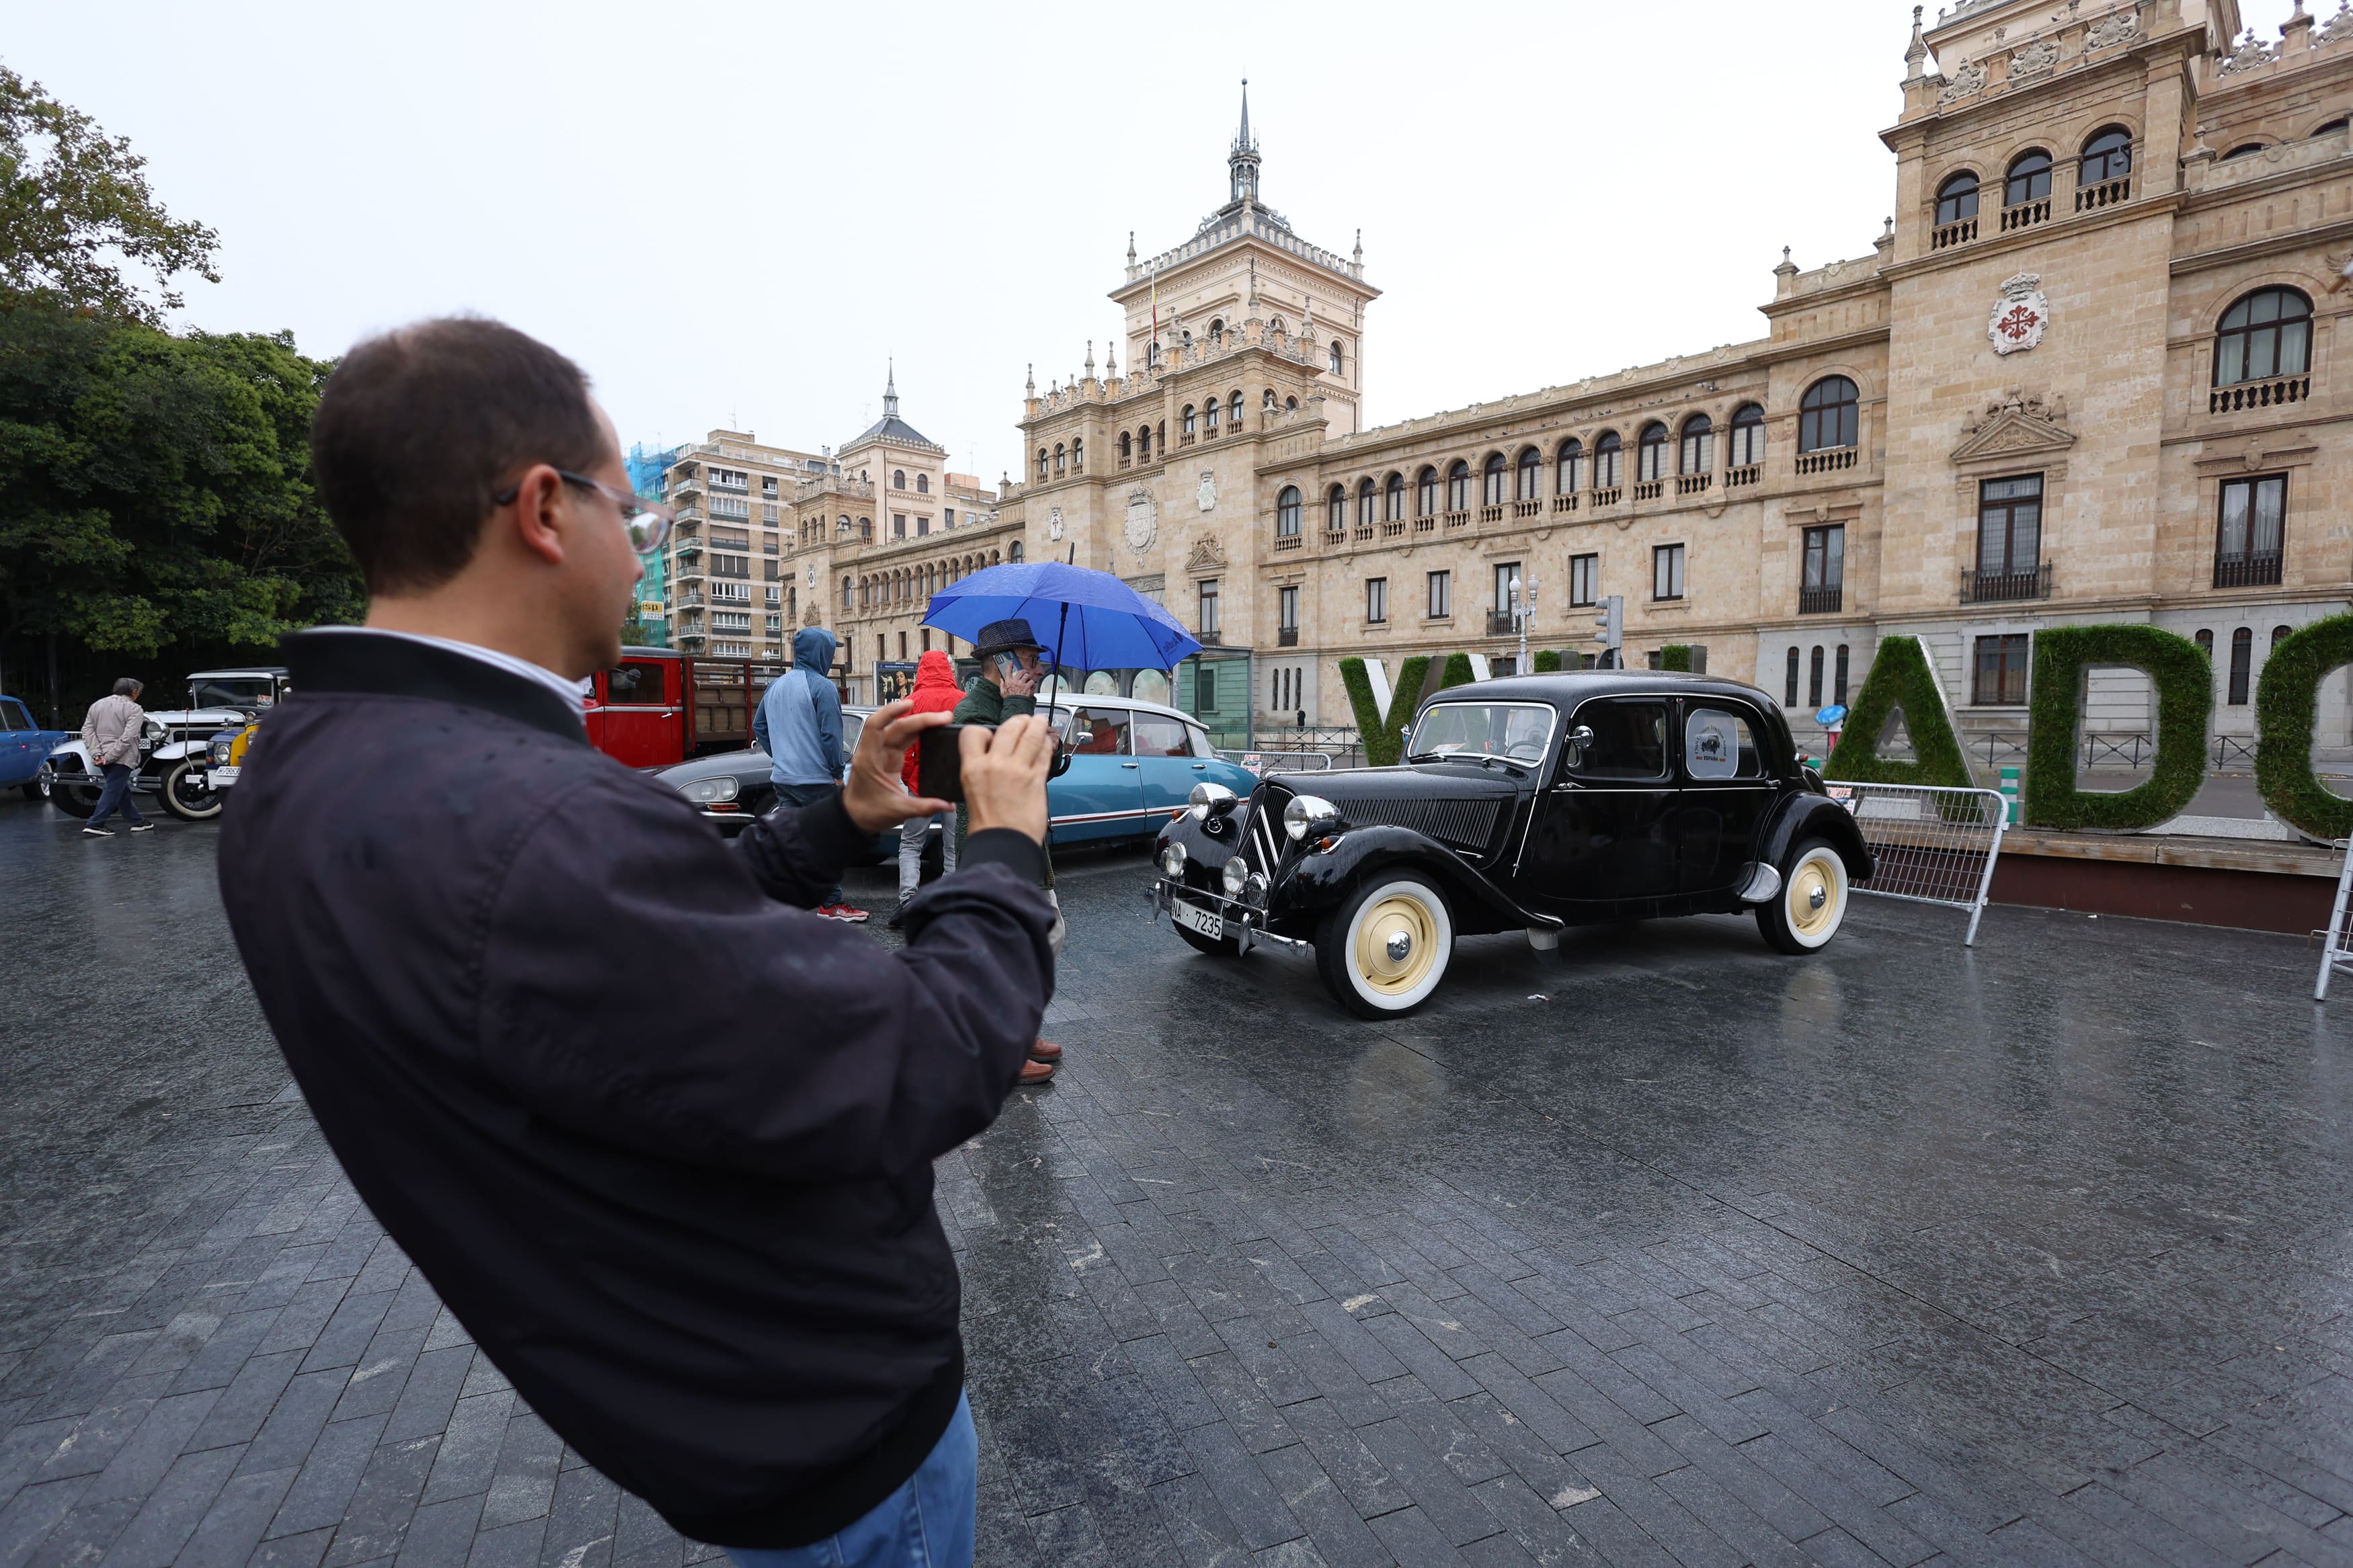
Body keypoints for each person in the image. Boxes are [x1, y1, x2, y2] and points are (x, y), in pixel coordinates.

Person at [215, 317, 1058, 1568]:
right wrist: (1004, 849)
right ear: (547, 512)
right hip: (828, 1440)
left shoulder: (301, 768)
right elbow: (923, 1058)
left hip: (694, 1408)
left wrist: (834, 821)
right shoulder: (535, 820)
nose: (643, 548)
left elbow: (644, 942)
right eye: (644, 519)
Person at [952, 621, 1063, 1081]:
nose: (1038, 669)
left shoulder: (1009, 706)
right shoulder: (972, 711)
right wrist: (1020, 707)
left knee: (1045, 938)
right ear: (1005, 663)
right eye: (1031, 660)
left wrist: (1051, 750)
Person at [753, 626, 863, 921]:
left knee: (793, 842)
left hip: (784, 780)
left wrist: (781, 756)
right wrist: (838, 772)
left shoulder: (775, 686)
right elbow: (831, 736)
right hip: (817, 780)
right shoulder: (822, 687)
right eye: (830, 651)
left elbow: (759, 726)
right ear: (821, 653)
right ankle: (831, 904)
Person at [888, 648, 963, 930]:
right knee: (953, 848)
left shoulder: (910, 703)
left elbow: (903, 751)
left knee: (910, 844)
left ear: (921, 671)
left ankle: (909, 901)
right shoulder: (963, 701)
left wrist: (909, 779)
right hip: (954, 786)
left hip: (921, 785)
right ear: (948, 670)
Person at [79, 677, 153, 837]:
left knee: (120, 789)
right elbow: (129, 737)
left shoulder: (97, 705)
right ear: (133, 692)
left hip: (101, 754)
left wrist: (97, 753)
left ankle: (137, 821)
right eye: (139, 692)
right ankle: (96, 823)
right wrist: (111, 756)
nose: (138, 695)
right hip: (123, 756)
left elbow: (87, 731)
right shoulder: (135, 709)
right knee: (113, 789)